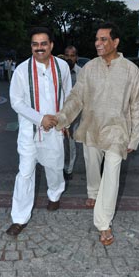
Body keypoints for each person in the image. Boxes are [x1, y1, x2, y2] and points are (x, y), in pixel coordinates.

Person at [55, 22, 139, 246]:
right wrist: (62, 118)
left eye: (103, 39)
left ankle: (103, 223)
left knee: (112, 176)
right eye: (97, 39)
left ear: (115, 42)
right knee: (92, 165)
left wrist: (135, 137)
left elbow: (138, 106)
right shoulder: (90, 68)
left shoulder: (130, 70)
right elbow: (76, 98)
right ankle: (93, 191)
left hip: (117, 131)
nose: (98, 43)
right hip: (92, 127)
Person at [6, 27, 72, 236]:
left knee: (54, 167)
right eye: (35, 44)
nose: (39, 48)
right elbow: (16, 102)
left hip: (54, 129)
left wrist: (65, 122)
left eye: (43, 43)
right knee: (25, 173)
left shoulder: (62, 67)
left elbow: (68, 96)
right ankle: (19, 218)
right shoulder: (21, 70)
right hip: (29, 131)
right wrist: (39, 118)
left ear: (51, 45)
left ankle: (54, 194)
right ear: (31, 46)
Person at [63, 46, 81, 180]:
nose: (70, 58)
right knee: (58, 141)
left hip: (74, 113)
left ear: (76, 57)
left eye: (72, 55)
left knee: (69, 140)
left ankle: (68, 169)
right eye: (67, 55)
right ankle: (59, 165)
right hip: (59, 111)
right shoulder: (59, 71)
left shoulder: (81, 73)